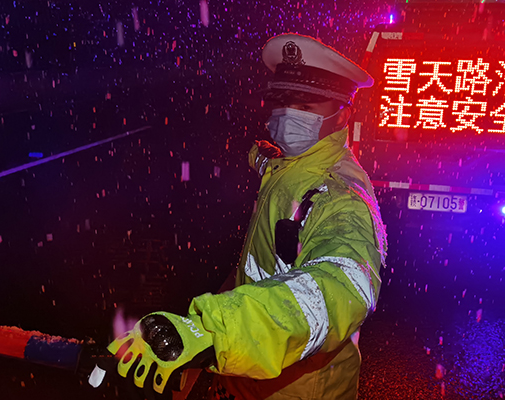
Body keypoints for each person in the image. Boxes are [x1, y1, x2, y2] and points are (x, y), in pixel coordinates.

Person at [105, 33, 387, 400]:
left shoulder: (340, 197)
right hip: (246, 376)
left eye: (305, 105)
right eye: (283, 102)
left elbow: (339, 288)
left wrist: (216, 333)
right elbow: (268, 162)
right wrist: (254, 153)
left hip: (294, 391)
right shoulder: (290, 163)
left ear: (343, 115)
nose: (289, 115)